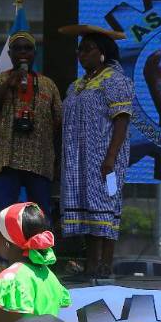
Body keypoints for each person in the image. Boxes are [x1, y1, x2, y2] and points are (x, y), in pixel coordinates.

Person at [0, 32, 62, 272]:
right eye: (18, 49)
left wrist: (57, 159)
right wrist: (8, 84)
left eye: (28, 49)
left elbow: (59, 124)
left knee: (41, 213)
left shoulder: (48, 84)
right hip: (8, 158)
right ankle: (1, 260)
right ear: (10, 54)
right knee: (4, 212)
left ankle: (41, 259)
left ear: (34, 53)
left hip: (40, 159)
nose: (23, 53)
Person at [58, 25, 132, 279]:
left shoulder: (115, 80)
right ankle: (90, 266)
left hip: (105, 158)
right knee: (88, 210)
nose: (81, 54)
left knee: (105, 207)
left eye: (87, 49)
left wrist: (111, 157)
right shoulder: (77, 85)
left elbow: (121, 120)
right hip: (81, 159)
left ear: (102, 53)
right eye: (80, 50)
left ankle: (104, 266)